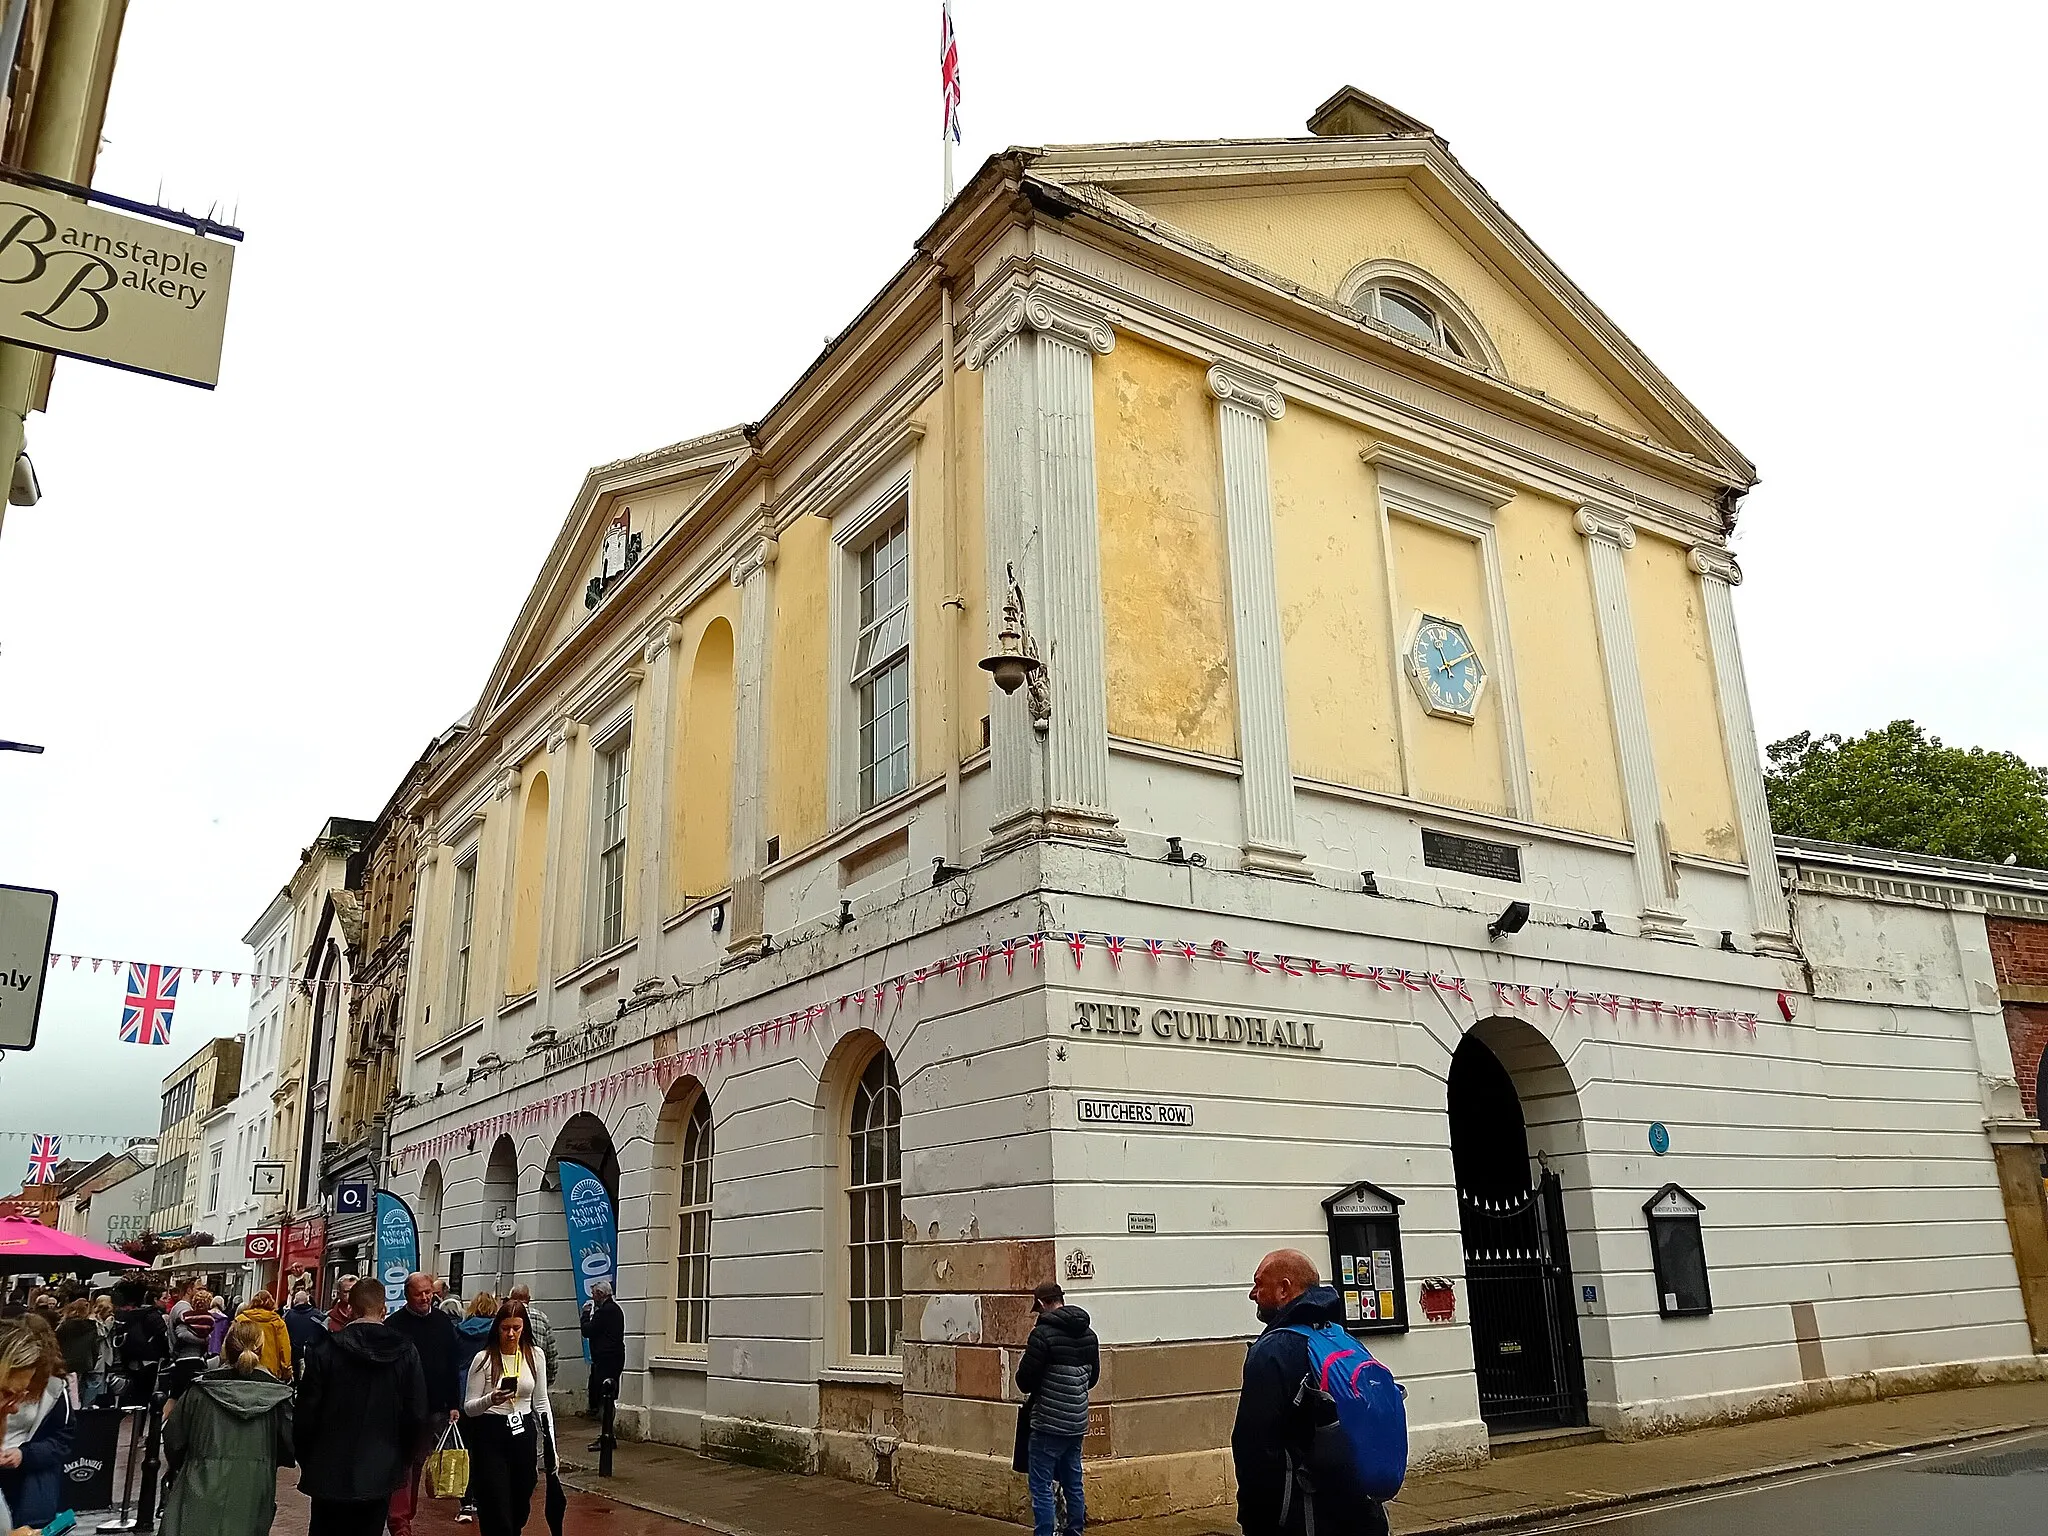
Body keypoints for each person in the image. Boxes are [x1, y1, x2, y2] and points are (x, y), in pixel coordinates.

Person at [1232, 1249, 1388, 1536]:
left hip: (1302, 1518)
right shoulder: (1343, 1339)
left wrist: (1255, 1519)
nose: (1252, 1294)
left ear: (1284, 1289)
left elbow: (1254, 1448)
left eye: (1259, 1284)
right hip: (1361, 1511)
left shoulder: (1271, 1352)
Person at [297, 1277, 428, 1536]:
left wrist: (308, 1458)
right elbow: (416, 1413)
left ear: (350, 1309)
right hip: (380, 1466)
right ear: (384, 1310)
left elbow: (306, 1413)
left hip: (329, 1467)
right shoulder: (405, 1352)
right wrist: (402, 1458)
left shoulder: (324, 1351)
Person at [159, 1318, 294, 1536]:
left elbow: (174, 1438)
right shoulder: (277, 1397)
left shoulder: (200, 1391)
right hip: (254, 1484)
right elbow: (288, 1445)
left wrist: (180, 1462)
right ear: (260, 1349)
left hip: (200, 1481)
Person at [1013, 1282, 1098, 1536]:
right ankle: (1075, 1531)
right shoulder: (1089, 1334)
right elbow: (1092, 1379)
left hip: (1047, 1422)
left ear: (1041, 1304)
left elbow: (1024, 1380)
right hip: (1076, 1422)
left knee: (1040, 1484)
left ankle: (1045, 1533)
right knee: (1073, 1481)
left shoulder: (1042, 1335)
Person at [461, 1301, 551, 1536]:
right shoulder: (484, 1359)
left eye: (516, 1328)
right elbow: (469, 1407)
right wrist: (491, 1398)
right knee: (496, 1504)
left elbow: (541, 1402)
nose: (511, 1334)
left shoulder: (535, 1356)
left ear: (524, 1328)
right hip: (491, 1432)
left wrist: (551, 1444)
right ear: (497, 1328)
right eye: (505, 1328)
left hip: (522, 1432)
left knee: (521, 1500)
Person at [386, 1274, 462, 1536]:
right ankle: (400, 1519)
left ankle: (406, 1515)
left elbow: (453, 1363)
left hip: (434, 1405)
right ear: (407, 1294)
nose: (425, 1298)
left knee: (419, 1461)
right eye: (419, 1293)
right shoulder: (395, 1324)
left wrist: (454, 1403)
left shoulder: (442, 1322)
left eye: (429, 1292)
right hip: (403, 1406)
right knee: (402, 1461)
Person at [0, 1316, 75, 1530]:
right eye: (8, 1394)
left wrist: (25, 1454)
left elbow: (63, 1438)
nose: (15, 1408)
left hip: (27, 1483)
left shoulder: (54, 1388)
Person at [452, 1294, 500, 1524]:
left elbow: (451, 1365)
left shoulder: (459, 1331)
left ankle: (467, 1498)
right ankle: (484, 1495)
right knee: (488, 1449)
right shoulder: (497, 1333)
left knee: (466, 1449)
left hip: (463, 1396)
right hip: (490, 1397)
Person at [113, 1279, 170, 1406]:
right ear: (155, 1300)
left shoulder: (132, 1314)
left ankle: (128, 1410)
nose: (166, 1301)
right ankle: (140, 1416)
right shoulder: (154, 1315)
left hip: (131, 1357)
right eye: (164, 1298)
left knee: (133, 1388)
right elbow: (163, 1336)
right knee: (145, 1393)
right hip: (149, 1359)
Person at [577, 1282, 624, 1437]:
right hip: (614, 1358)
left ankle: (606, 1435)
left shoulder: (604, 1312)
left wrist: (585, 1315)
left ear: (601, 1294)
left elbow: (588, 1330)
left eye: (594, 1294)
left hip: (605, 1360)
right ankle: (608, 1434)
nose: (592, 1297)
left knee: (605, 1397)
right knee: (609, 1395)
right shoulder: (616, 1310)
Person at [503, 1288, 558, 1391]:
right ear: (528, 1299)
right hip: (538, 1373)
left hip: (512, 1373)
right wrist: (548, 1379)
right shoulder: (542, 1317)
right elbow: (552, 1353)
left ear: (511, 1299)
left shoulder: (506, 1318)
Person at [232, 1291, 293, 1381]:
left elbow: (231, 1342)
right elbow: (284, 1348)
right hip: (270, 1370)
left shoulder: (241, 1319)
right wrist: (286, 1370)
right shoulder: (278, 1322)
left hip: (243, 1366)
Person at [55, 1300, 98, 1402]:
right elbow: (94, 1347)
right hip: (84, 1361)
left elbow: (56, 1344)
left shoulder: (64, 1326)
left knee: (68, 1389)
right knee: (83, 1388)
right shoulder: (91, 1327)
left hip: (66, 1361)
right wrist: (93, 1361)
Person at [283, 1289, 326, 1379]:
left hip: (293, 1354)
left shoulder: (287, 1316)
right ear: (308, 1301)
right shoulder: (318, 1315)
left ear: (295, 1301)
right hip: (313, 1355)